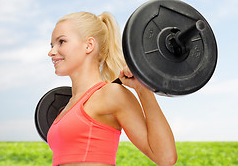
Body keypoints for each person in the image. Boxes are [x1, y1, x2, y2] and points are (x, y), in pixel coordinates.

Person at [47, 11, 177, 166]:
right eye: (51, 45)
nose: (51, 52)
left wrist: (143, 89)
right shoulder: (67, 106)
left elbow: (165, 158)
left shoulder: (111, 94)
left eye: (61, 42)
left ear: (89, 45)